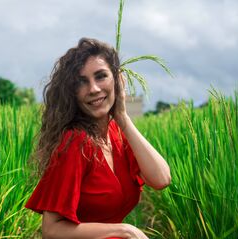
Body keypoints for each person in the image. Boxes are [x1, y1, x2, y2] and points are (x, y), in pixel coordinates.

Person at [25, 38, 171, 239]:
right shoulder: (75, 142)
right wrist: (124, 230)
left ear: (118, 81)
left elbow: (161, 179)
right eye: (82, 81)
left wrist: (123, 118)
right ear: (71, 92)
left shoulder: (116, 132)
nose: (93, 88)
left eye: (101, 76)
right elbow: (51, 230)